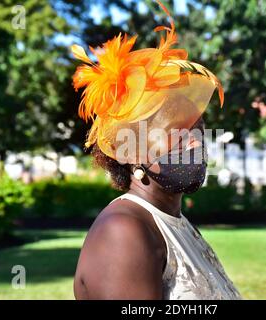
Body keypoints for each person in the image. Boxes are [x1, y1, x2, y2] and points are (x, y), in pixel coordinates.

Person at [71, 1, 241, 300]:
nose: (194, 142)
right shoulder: (122, 231)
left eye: (198, 129)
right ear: (132, 151)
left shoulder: (173, 221)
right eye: (176, 132)